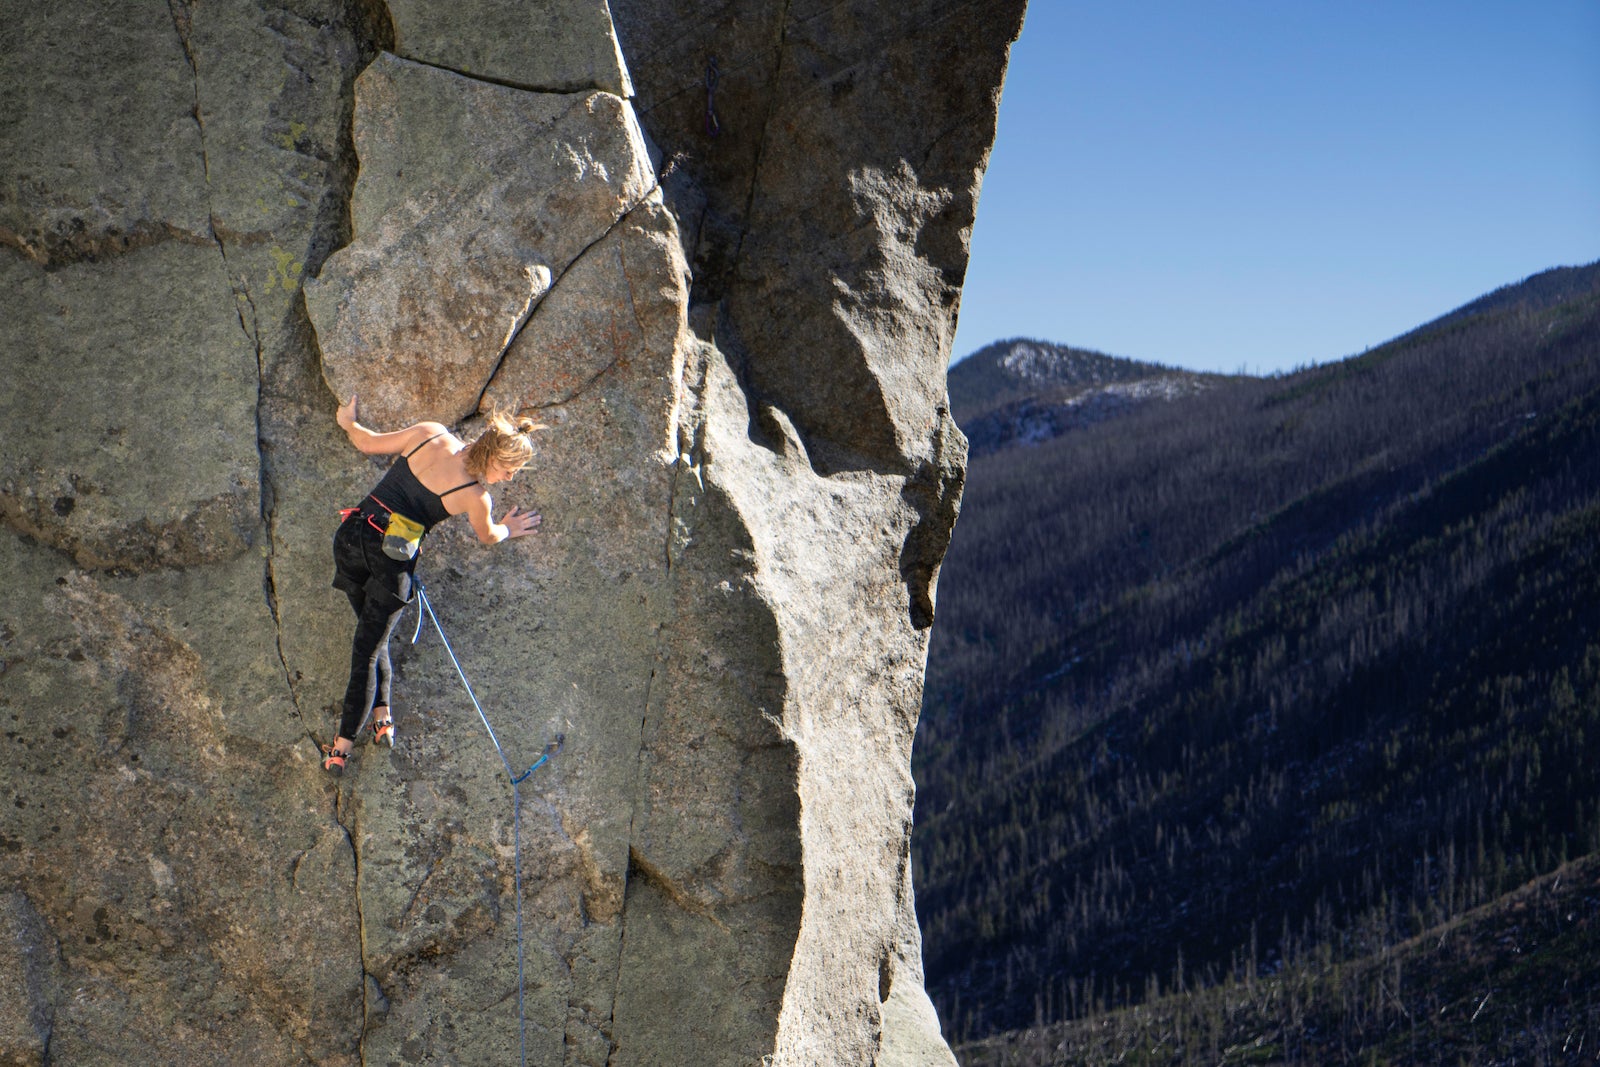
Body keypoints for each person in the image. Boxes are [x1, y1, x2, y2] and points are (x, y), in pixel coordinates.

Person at [323, 395, 543, 773]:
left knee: (373, 640)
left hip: (351, 539)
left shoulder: (431, 433)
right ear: (495, 459)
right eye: (510, 470)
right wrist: (510, 528)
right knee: (367, 653)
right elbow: (489, 536)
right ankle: (341, 749)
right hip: (390, 563)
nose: (510, 478)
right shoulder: (476, 497)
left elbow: (365, 441)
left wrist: (347, 421)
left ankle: (382, 717)